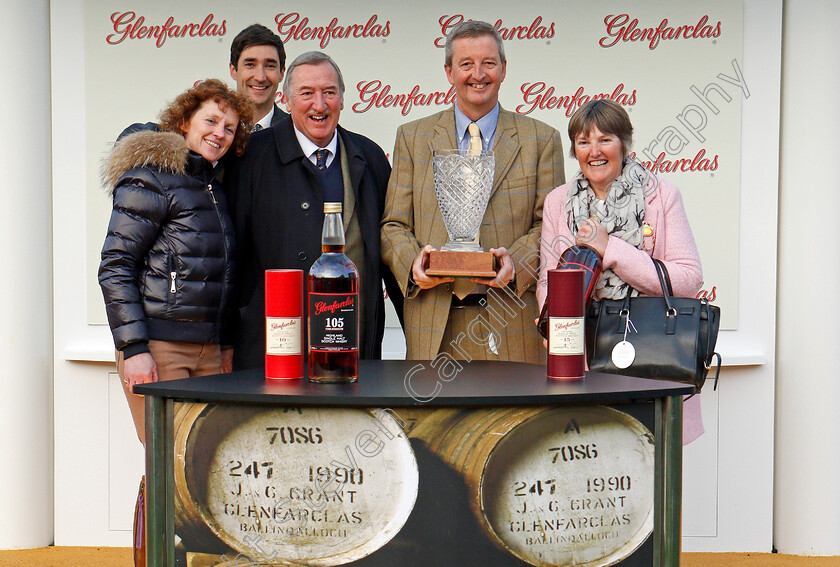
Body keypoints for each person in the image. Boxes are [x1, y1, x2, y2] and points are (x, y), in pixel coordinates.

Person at [380, 21, 565, 363]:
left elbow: (552, 229)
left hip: (511, 323)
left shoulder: (541, 140)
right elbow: (393, 226)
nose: (478, 74)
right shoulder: (413, 137)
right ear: (449, 72)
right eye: (466, 64)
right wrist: (413, 263)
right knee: (436, 420)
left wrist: (516, 263)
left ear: (504, 69)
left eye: (489, 63)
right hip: (434, 324)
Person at [536, 98, 705, 443]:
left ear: (625, 144)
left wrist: (610, 249)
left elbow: (689, 279)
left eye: (605, 140)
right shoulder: (558, 201)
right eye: (583, 142)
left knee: (652, 481)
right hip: (581, 365)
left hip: (650, 365)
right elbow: (547, 278)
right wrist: (552, 329)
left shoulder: (662, 197)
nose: (594, 151)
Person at [227, 51, 402, 371]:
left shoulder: (371, 157)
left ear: (343, 99)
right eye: (307, 93)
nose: (319, 105)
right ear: (287, 101)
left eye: (329, 93)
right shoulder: (250, 158)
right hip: (272, 356)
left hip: (355, 355)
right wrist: (224, 344)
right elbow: (229, 257)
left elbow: (392, 254)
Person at [99, 79, 252, 442]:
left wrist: (226, 345)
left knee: (200, 466)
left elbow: (223, 274)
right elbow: (116, 266)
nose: (220, 134)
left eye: (229, 128)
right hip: (159, 346)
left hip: (210, 352)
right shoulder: (151, 176)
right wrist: (134, 349)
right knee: (166, 462)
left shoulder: (213, 187)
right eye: (211, 121)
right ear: (185, 122)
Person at [229, 23, 288, 130]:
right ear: (233, 70)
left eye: (270, 66)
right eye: (250, 65)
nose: (260, 77)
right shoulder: (214, 132)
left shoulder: (296, 131)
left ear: (282, 73)